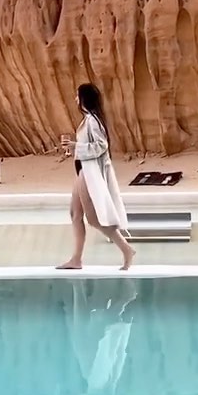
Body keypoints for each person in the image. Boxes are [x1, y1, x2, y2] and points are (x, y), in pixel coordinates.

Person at [57, 83, 135, 272]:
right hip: (82, 170)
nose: (75, 99)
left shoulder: (93, 120)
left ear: (84, 98)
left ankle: (126, 249)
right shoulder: (87, 120)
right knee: (75, 214)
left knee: (92, 218)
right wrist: (74, 148)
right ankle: (76, 259)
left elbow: (101, 146)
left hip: (89, 171)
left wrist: (77, 146)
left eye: (77, 95)